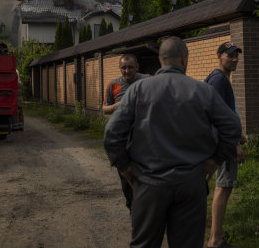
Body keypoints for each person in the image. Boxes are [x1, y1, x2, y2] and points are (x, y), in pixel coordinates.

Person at [104, 36, 242, 248]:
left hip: (149, 184)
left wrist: (126, 169)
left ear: (160, 59)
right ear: (184, 59)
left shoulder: (138, 90)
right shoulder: (203, 91)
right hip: (190, 184)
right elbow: (232, 127)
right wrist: (214, 161)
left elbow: (112, 134)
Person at [205, 42, 246, 248]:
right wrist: (233, 145)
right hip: (223, 145)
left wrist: (238, 133)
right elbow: (215, 117)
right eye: (230, 56)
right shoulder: (218, 80)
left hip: (225, 141)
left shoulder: (221, 79)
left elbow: (227, 112)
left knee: (224, 185)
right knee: (224, 186)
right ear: (219, 56)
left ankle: (217, 234)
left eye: (236, 56)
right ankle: (215, 240)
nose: (235, 59)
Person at [102, 53, 148, 212]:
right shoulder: (113, 84)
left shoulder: (147, 80)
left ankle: (145, 212)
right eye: (123, 68)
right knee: (128, 182)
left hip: (144, 142)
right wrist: (119, 105)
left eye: (130, 67)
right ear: (119, 68)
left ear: (137, 67)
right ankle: (133, 211)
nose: (127, 71)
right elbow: (104, 109)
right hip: (123, 144)